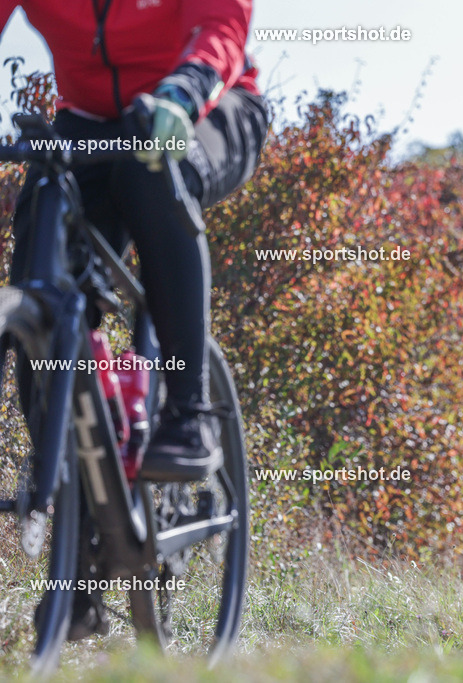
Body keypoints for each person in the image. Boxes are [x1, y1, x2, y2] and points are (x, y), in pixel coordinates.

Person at [1, 0, 268, 638]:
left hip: (208, 104)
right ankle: (80, 546)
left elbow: (222, 25)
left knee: (156, 177)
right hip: (90, 123)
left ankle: (189, 410)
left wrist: (185, 88)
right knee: (40, 236)